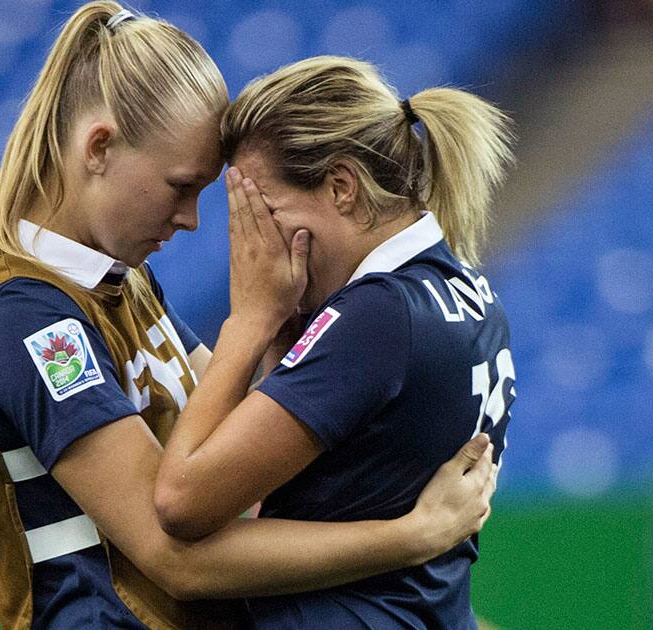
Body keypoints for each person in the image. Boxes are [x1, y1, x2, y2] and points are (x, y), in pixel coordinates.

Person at [0, 4, 497, 629]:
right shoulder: (26, 317)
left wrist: (278, 337)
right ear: (99, 147)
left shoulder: (113, 272)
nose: (191, 219)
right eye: (181, 186)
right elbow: (173, 553)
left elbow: (238, 456)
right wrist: (412, 537)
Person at [154, 55, 516, 629]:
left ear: (341, 187)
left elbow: (182, 501)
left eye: (265, 212)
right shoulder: (467, 292)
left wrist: (249, 321)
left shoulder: (377, 314)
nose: (258, 244)